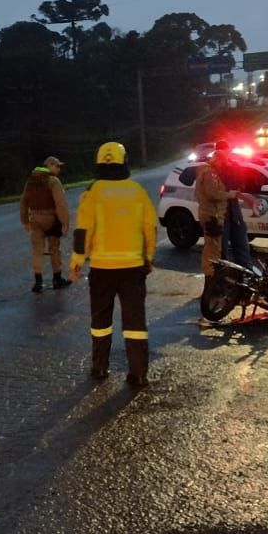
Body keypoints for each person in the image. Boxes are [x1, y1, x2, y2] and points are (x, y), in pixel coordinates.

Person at [71, 142, 157, 388]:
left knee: (100, 321)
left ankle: (100, 368)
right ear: (125, 161)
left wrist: (76, 262)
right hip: (133, 269)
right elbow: (149, 228)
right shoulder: (137, 191)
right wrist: (148, 257)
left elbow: (82, 231)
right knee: (135, 323)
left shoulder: (92, 192)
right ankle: (138, 373)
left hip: (101, 270)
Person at [19, 156, 72, 293]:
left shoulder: (30, 181)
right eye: (57, 166)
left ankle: (38, 282)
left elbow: (24, 202)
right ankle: (57, 279)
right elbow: (60, 204)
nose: (59, 169)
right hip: (50, 219)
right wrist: (65, 222)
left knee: (37, 250)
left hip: (35, 218)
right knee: (54, 248)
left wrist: (24, 220)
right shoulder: (53, 181)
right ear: (49, 165)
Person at [193, 141, 233, 277]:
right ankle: (211, 276)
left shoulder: (206, 171)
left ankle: (212, 274)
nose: (224, 165)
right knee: (213, 249)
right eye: (223, 162)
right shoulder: (210, 173)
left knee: (213, 247)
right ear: (218, 160)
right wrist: (229, 194)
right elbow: (212, 194)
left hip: (210, 215)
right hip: (212, 216)